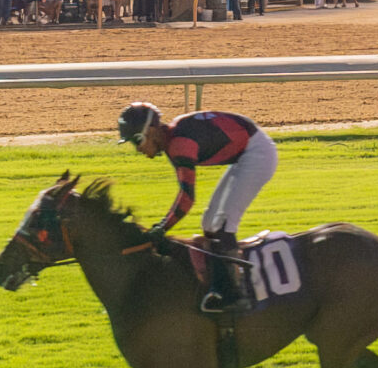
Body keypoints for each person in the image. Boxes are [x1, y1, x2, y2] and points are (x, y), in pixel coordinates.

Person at [116, 101, 279, 314]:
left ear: (153, 130)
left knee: (222, 224)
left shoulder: (180, 144)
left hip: (257, 154)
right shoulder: (173, 138)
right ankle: (221, 286)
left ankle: (238, 295)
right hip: (246, 152)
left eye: (137, 140)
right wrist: (163, 226)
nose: (138, 149)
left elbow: (187, 198)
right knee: (209, 224)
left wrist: (163, 227)